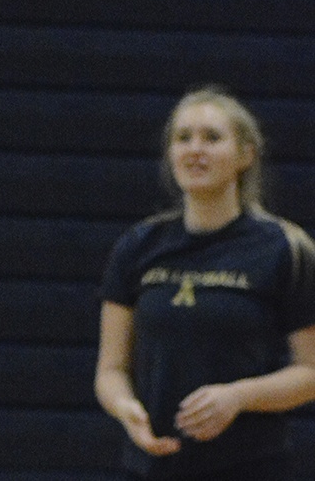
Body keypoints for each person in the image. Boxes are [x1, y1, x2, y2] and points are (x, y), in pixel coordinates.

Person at [94, 86, 315, 480]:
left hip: (249, 465)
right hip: (151, 465)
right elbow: (110, 369)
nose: (195, 149)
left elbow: (310, 373)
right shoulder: (138, 245)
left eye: (212, 138)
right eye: (183, 138)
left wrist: (238, 397)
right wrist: (124, 408)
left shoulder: (285, 248)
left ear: (245, 156)